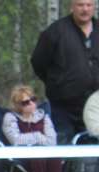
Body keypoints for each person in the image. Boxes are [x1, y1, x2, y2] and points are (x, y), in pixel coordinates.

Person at [31, 0, 99, 144]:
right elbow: (38, 62)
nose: (85, 9)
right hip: (63, 108)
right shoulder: (55, 32)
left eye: (89, 5)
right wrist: (58, 82)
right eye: (80, 5)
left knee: (93, 151)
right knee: (64, 150)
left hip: (95, 107)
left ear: (94, 7)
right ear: (72, 6)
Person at [1, 86, 63, 172]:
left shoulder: (43, 117)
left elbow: (52, 141)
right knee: (37, 157)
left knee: (55, 157)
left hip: (46, 154)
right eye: (25, 102)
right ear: (18, 106)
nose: (31, 103)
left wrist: (34, 140)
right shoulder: (10, 118)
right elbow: (16, 140)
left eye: (33, 99)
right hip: (21, 159)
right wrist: (38, 136)